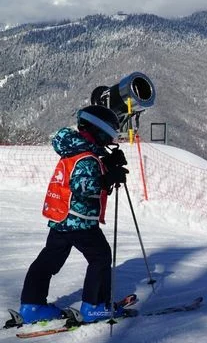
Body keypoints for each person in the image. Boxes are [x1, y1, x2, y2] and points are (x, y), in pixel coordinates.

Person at [17, 105, 129, 324]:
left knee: (48, 260)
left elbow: (80, 171)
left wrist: (106, 165)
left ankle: (32, 305)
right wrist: (108, 179)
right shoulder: (86, 157)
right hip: (80, 221)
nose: (110, 140)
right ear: (99, 131)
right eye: (108, 135)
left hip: (61, 219)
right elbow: (83, 187)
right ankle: (94, 307)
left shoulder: (73, 149)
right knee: (101, 257)